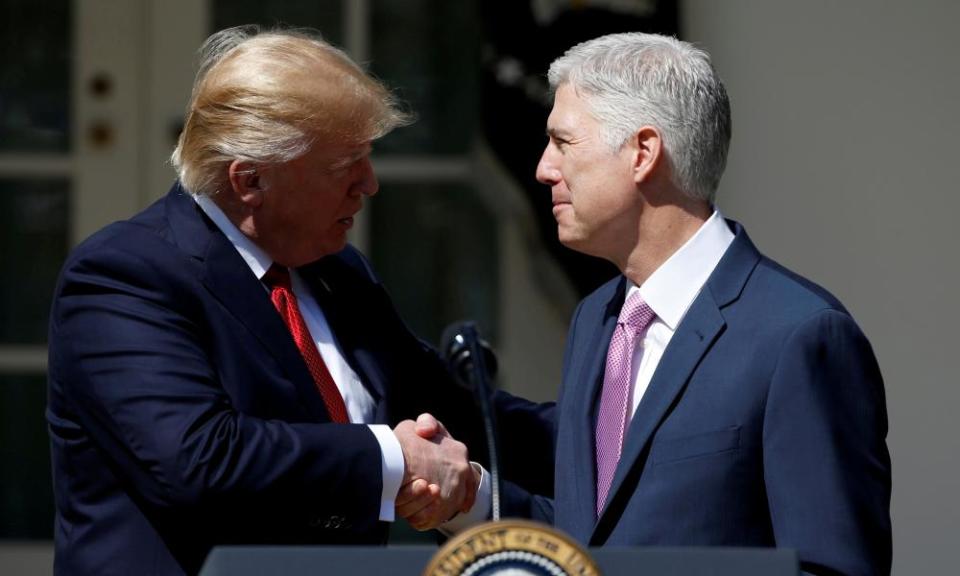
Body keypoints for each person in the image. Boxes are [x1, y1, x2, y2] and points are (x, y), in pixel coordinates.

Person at [414, 32, 892, 576]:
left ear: (642, 152)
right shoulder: (597, 319)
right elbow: (592, 544)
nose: (544, 168)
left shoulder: (799, 336)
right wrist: (469, 498)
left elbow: (833, 568)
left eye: (563, 142)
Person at [46, 25, 492, 576]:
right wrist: (395, 460)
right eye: (342, 165)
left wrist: (611, 427)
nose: (369, 183)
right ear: (250, 180)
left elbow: (461, 411)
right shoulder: (124, 275)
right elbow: (202, 460)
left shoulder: (335, 271)